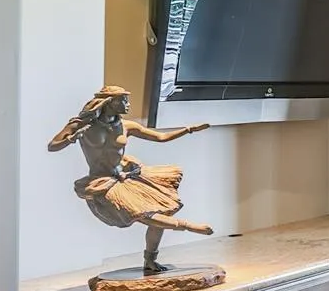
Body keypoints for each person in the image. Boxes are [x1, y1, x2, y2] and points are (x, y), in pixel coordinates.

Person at [47, 85, 212, 273]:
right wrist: (71, 138)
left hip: (125, 178)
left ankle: (150, 259)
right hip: (103, 183)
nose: (127, 105)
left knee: (159, 213)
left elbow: (161, 137)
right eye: (123, 100)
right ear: (108, 102)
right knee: (144, 215)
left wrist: (189, 129)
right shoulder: (83, 125)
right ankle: (191, 227)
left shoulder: (127, 126)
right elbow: (53, 146)